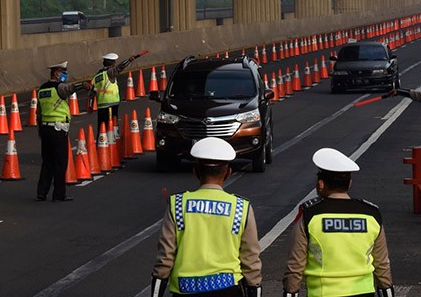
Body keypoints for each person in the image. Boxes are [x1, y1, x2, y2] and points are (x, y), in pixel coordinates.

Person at [151, 137, 262, 297]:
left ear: (196, 172)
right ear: (228, 173)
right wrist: (255, 288)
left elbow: (165, 257)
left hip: (185, 289)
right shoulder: (241, 207)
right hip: (227, 288)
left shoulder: (178, 205)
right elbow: (251, 259)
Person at [282, 148, 394, 297]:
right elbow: (382, 264)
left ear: (321, 184)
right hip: (364, 292)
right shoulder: (371, 214)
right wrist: (387, 290)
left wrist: (290, 291)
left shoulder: (310, 215)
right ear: (350, 183)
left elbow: (295, 264)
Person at [36, 61, 92, 202]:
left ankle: (41, 192)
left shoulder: (42, 89)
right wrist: (83, 85)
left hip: (45, 128)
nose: (65, 74)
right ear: (56, 73)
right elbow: (70, 88)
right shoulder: (58, 88)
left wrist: (40, 130)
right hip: (58, 129)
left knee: (47, 161)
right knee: (60, 162)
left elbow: (39, 112)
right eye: (63, 71)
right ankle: (59, 194)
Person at [91, 52, 142, 130]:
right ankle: (112, 140)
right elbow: (120, 67)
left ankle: (101, 140)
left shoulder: (97, 75)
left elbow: (92, 91)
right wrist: (129, 60)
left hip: (101, 105)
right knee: (112, 127)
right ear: (113, 64)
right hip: (111, 104)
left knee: (102, 127)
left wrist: (91, 105)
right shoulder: (109, 73)